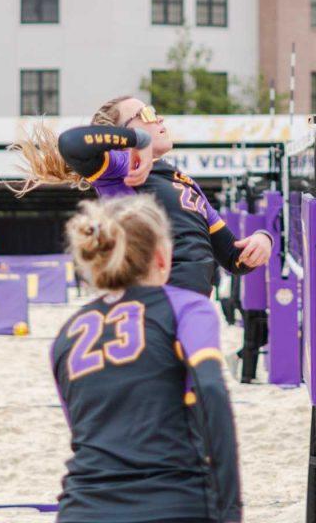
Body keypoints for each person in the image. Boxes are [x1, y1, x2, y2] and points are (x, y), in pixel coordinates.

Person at [52, 195, 241, 522]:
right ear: (162, 257)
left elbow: (82, 431)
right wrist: (230, 510)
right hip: (173, 501)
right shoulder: (187, 307)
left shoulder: (67, 334)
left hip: (82, 506)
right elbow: (211, 393)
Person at [13, 96, 271, 296]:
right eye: (146, 113)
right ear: (118, 133)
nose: (158, 119)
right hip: (152, 302)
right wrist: (138, 140)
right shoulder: (119, 165)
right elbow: (71, 143)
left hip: (191, 307)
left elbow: (233, 259)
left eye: (156, 113)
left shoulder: (184, 182)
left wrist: (262, 240)